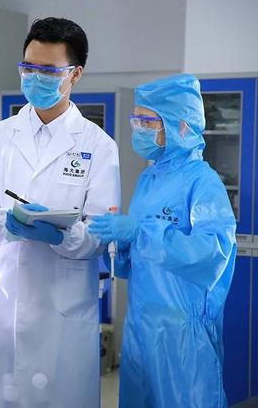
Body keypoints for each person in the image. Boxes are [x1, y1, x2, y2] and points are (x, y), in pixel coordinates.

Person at [0, 17, 121, 407]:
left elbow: (101, 231)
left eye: (48, 71)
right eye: (28, 68)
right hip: (3, 309)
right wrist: (6, 223)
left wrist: (60, 235)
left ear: (75, 74)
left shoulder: (98, 146)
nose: (35, 78)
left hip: (61, 316)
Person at [88, 73, 236, 408]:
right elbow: (138, 257)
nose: (138, 129)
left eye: (147, 121)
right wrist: (121, 243)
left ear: (181, 126)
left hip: (182, 332)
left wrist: (140, 232)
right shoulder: (148, 178)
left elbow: (211, 253)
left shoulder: (204, 182)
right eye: (135, 120)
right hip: (141, 325)